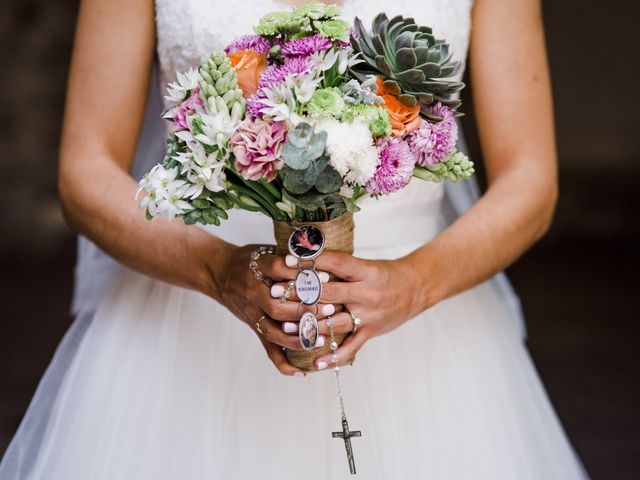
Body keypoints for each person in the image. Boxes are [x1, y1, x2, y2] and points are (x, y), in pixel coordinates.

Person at [0, 0, 589, 478]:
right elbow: (84, 173)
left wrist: (414, 283)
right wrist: (217, 270)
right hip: (182, 333)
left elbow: (531, 181)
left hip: (429, 334)